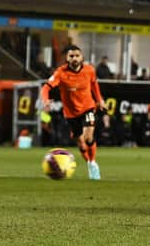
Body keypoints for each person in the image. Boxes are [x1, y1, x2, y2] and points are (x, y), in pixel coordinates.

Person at [41, 45, 107, 180]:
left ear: (82, 57)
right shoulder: (60, 73)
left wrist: (99, 100)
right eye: (71, 56)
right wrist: (45, 101)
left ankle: (93, 163)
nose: (74, 58)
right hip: (71, 114)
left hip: (88, 107)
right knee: (81, 143)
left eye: (77, 55)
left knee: (89, 137)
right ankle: (88, 162)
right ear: (67, 58)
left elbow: (94, 85)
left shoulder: (89, 70)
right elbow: (46, 88)